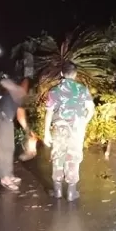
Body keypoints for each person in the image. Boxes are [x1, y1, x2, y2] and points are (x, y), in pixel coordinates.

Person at [44, 61, 95, 201]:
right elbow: (91, 110)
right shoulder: (82, 89)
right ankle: (72, 192)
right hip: (77, 128)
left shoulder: (54, 90)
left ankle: (58, 191)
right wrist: (83, 122)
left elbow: (49, 113)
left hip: (59, 127)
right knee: (73, 156)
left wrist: (46, 133)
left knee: (58, 155)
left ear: (61, 73)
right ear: (75, 74)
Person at [0, 76, 31, 191]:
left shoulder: (19, 93)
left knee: (9, 148)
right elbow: (3, 81)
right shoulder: (17, 91)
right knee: (4, 149)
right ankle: (4, 178)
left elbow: (19, 113)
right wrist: (27, 129)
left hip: (6, 120)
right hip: (0, 119)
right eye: (24, 84)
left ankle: (9, 174)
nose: (25, 87)